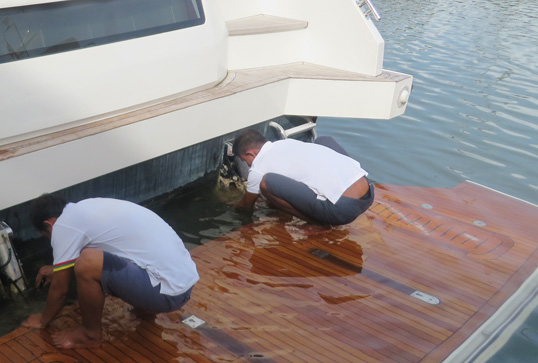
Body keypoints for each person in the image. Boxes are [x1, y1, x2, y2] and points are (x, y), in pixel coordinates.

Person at [22, 194, 199, 349]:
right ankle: (145, 308)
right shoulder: (87, 208)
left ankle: (89, 335)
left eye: (47, 236)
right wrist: (58, 268)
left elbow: (60, 290)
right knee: (108, 254)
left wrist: (43, 320)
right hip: (182, 286)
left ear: (49, 224)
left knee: (86, 262)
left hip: (166, 295)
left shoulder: (62, 226)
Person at [233, 129, 374, 226]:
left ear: (251, 154)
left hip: (343, 210)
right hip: (368, 193)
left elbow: (246, 207)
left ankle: (317, 224)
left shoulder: (258, 168)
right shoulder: (286, 143)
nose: (248, 164)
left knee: (266, 183)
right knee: (324, 140)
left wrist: (230, 204)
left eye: (245, 160)